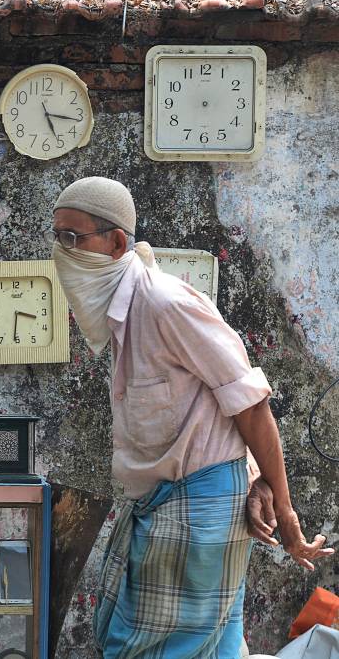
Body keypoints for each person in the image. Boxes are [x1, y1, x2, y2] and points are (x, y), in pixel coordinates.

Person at [45, 177, 333, 658]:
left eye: (74, 238)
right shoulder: (124, 313)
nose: (64, 251)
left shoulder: (165, 304)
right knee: (216, 645)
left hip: (196, 505)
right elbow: (204, 411)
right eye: (58, 237)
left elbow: (249, 402)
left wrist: (283, 508)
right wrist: (252, 478)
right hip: (169, 500)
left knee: (151, 648)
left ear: (117, 242)